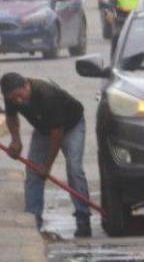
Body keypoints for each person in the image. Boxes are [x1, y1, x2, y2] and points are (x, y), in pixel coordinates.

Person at [2, 73, 92, 237]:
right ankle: (33, 219)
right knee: (32, 172)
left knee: (74, 168)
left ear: (25, 86)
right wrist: (16, 141)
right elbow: (11, 117)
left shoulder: (46, 94)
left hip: (71, 126)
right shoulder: (10, 96)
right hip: (43, 129)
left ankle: (83, 219)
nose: (18, 101)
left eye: (19, 96)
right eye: (13, 99)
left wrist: (47, 166)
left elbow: (56, 134)